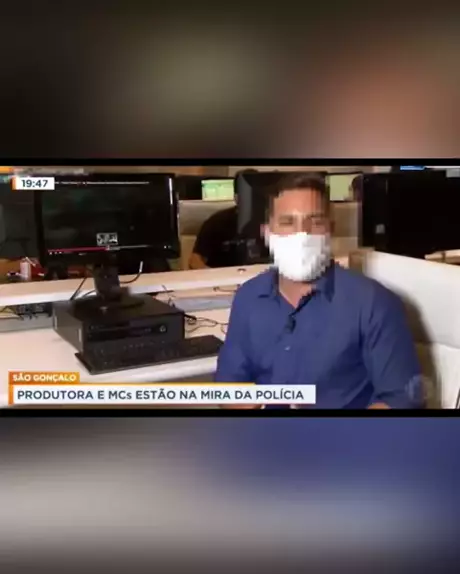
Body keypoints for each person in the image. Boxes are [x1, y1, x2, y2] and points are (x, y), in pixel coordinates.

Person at [215, 173, 423, 409]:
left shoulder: (373, 303)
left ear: (330, 229)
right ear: (266, 233)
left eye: (315, 222)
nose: (302, 234)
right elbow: (228, 387)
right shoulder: (248, 297)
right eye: (287, 222)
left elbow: (400, 400)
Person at [188, 169, 258, 269]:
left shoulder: (270, 220)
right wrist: (213, 275)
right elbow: (195, 261)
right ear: (236, 198)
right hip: (223, 276)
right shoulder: (216, 223)